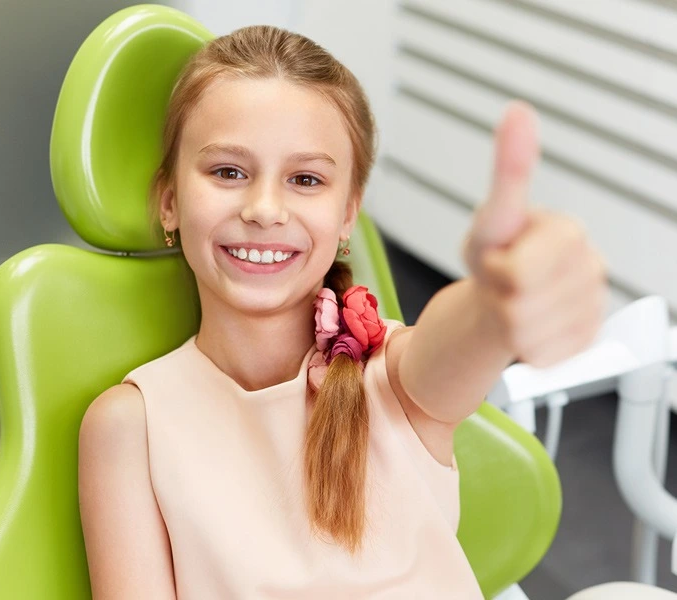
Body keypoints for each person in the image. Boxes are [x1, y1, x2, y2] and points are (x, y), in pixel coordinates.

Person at [77, 24, 606, 599]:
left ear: (347, 213)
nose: (264, 209)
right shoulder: (131, 428)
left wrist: (496, 305)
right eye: (228, 172)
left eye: (306, 179)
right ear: (171, 201)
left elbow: (459, 342)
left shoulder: (393, 375)